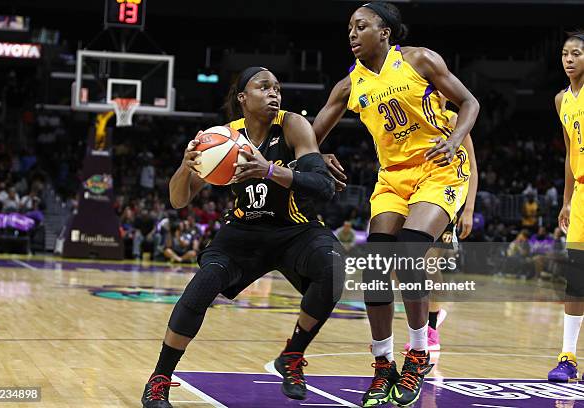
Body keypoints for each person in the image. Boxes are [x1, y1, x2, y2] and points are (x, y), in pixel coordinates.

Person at [141, 66, 345, 407]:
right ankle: (160, 378)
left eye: (277, 88)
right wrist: (185, 165)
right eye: (263, 87)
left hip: (295, 229)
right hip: (244, 232)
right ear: (242, 98)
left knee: (334, 269)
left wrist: (270, 169)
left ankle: (292, 355)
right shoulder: (221, 137)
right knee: (203, 285)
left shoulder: (293, 124)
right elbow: (178, 199)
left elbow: (324, 186)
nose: (273, 93)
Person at [313, 2, 479, 406]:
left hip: (439, 169)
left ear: (385, 31)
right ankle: (383, 363)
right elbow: (308, 136)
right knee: (375, 263)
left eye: (361, 26)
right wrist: (314, 157)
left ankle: (418, 352)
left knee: (407, 250)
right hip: (392, 177)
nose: (352, 34)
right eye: (349, 27)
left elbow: (469, 103)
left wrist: (455, 140)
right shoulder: (350, 86)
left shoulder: (420, 60)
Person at [404, 90, 479, 352]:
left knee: (429, 261)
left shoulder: (455, 120)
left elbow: (472, 166)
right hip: (417, 194)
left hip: (447, 193)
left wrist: (468, 209)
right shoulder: (415, 120)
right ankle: (421, 324)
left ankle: (431, 326)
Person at [548, 31, 584, 383]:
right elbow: (571, 155)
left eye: (576, 54)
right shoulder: (562, 100)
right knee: (576, 280)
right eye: (565, 53)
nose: (569, 59)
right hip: (582, 197)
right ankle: (568, 358)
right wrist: (567, 199)